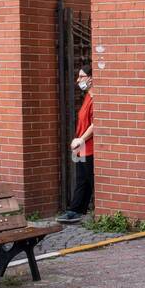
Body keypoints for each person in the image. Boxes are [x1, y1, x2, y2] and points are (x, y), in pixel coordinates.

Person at [57, 69, 94, 223]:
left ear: (91, 78)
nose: (78, 80)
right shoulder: (88, 96)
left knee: (87, 178)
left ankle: (75, 210)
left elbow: (95, 124)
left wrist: (81, 139)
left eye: (81, 76)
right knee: (81, 178)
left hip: (87, 145)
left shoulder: (95, 99)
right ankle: (76, 210)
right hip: (80, 146)